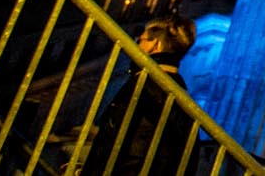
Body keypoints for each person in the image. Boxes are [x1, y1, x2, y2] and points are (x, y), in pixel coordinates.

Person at [80, 15, 197, 176]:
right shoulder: (184, 97)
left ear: (156, 44)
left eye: (142, 40)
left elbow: (113, 140)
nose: (137, 45)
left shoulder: (144, 84)